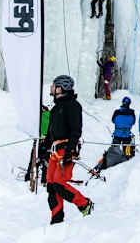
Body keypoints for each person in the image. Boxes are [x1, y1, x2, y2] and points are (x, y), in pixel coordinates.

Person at [42, 75, 93, 224]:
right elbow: (51, 132)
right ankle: (57, 218)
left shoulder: (73, 105)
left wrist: (70, 151)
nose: (52, 88)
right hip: (54, 151)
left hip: (66, 150)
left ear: (61, 88)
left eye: (54, 85)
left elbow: (76, 130)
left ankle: (84, 204)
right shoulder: (56, 108)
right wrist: (44, 149)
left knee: (59, 183)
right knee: (51, 185)